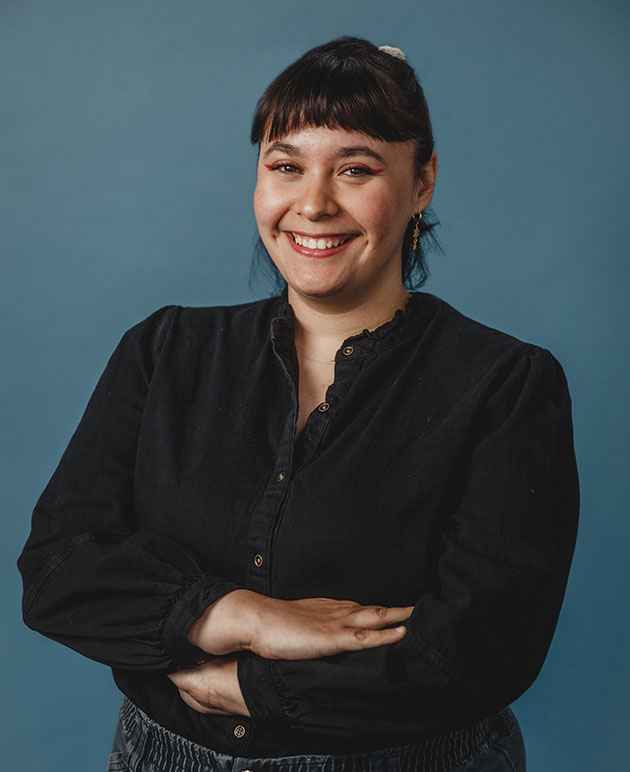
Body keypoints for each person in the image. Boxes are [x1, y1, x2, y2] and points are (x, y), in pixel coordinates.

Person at [17, 35, 579, 772]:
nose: (312, 204)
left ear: (423, 183)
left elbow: (480, 649)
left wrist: (251, 688)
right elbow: (59, 570)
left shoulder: (506, 384)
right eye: (285, 166)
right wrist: (239, 616)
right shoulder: (164, 350)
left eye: (355, 169)